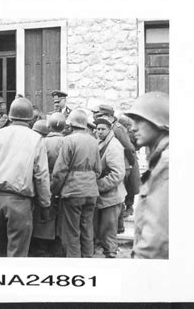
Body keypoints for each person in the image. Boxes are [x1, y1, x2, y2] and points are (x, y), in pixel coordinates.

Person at [0, 97, 51, 257]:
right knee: (17, 255)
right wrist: (45, 204)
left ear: (10, 116)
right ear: (30, 118)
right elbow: (41, 175)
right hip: (19, 202)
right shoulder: (35, 138)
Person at [124, 91, 169, 259]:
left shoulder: (166, 164)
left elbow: (155, 241)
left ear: (158, 122)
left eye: (140, 120)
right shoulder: (160, 160)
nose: (133, 127)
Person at [51, 109, 102, 258]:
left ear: (71, 124)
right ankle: (87, 259)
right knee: (87, 228)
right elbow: (98, 170)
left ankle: (74, 264)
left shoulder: (68, 140)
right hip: (91, 191)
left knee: (71, 231)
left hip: (73, 191)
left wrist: (55, 191)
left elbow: (60, 171)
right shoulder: (94, 141)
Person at [95, 104, 141, 232]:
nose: (98, 118)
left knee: (121, 193)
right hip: (118, 161)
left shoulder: (117, 128)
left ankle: (122, 219)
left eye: (101, 115)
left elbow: (129, 147)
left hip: (123, 163)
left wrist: (131, 164)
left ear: (109, 116)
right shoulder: (108, 127)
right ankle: (120, 224)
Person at [30, 113, 65, 257]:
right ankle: (57, 245)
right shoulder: (68, 142)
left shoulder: (42, 143)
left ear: (49, 127)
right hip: (64, 181)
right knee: (61, 213)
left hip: (45, 179)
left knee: (43, 213)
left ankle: (41, 246)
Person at [94, 118, 126, 258]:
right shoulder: (101, 142)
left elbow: (117, 173)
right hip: (104, 197)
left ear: (110, 130)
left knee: (109, 233)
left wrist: (98, 185)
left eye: (103, 129)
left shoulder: (113, 146)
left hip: (111, 197)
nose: (99, 131)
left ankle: (111, 257)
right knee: (102, 231)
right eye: (98, 128)